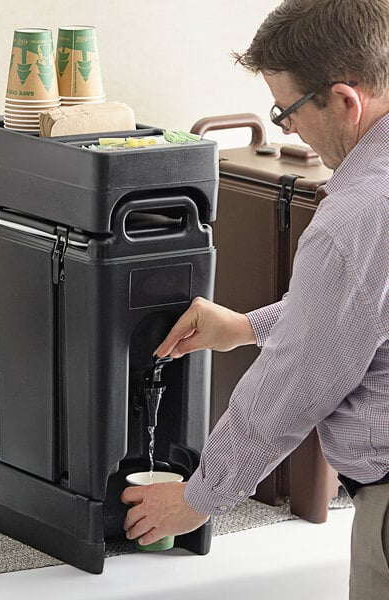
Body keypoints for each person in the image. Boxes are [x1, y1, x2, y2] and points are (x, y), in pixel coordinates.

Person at [121, 1, 389, 598]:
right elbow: (365, 308)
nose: (287, 129)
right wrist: (247, 326)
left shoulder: (356, 214)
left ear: (347, 101)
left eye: (288, 110)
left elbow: (298, 378)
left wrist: (199, 496)